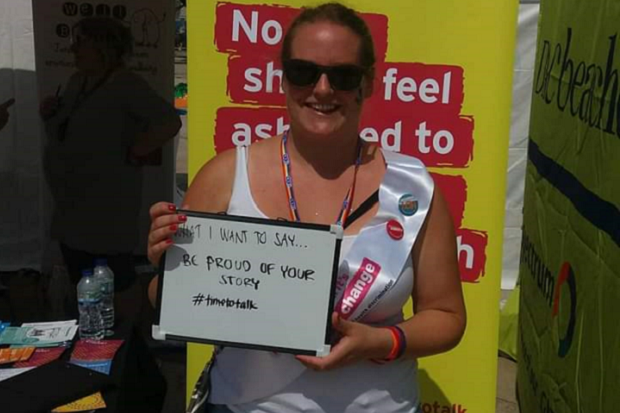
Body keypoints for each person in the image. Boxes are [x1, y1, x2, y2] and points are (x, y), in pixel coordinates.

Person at [148, 3, 465, 412]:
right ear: (283, 78)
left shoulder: (412, 189)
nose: (322, 89)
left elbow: (446, 316)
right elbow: (167, 299)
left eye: (343, 75)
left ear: (367, 83)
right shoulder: (226, 175)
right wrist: (165, 263)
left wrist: (380, 342)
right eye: (303, 71)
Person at [41, 18, 181, 302]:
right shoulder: (77, 80)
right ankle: (95, 337)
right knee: (79, 273)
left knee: (114, 276)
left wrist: (138, 149)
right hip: (72, 202)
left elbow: (168, 121)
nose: (74, 49)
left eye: (82, 43)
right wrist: (51, 114)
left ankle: (128, 338)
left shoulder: (125, 83)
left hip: (106, 203)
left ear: (104, 47)